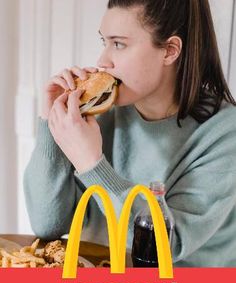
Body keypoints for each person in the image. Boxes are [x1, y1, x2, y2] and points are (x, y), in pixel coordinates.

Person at [24, 0, 236, 267]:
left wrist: (92, 164)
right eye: (105, 42)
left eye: (119, 44)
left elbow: (161, 250)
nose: (102, 61)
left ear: (170, 50)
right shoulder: (100, 112)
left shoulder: (225, 132)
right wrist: (50, 124)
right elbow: (48, 225)